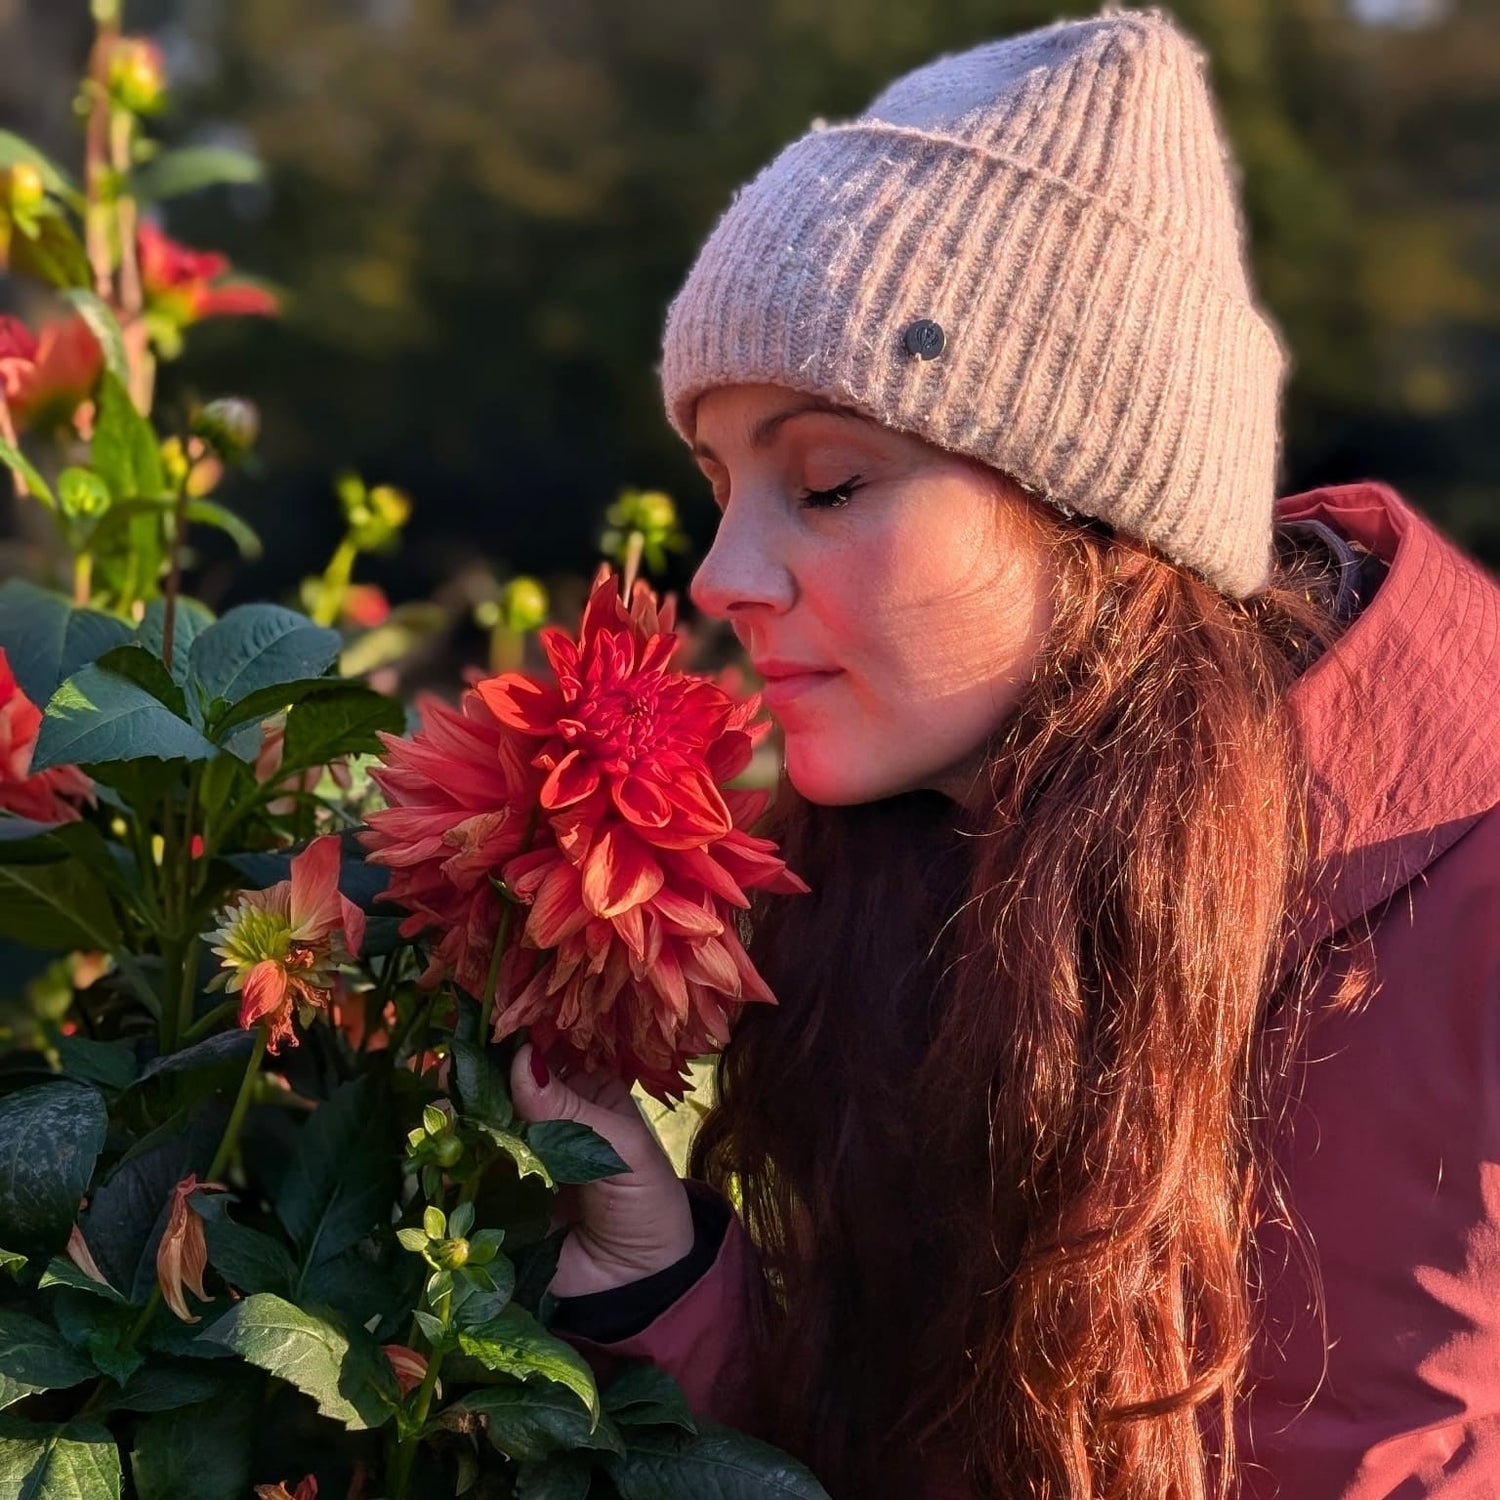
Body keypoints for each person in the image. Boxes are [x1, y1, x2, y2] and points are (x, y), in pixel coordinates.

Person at [508, 8, 1500, 1498]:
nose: (722, 575)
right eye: (718, 487)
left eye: (829, 480)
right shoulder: (860, 890)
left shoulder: (1471, 899)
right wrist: (653, 1271)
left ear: (1101, 514)